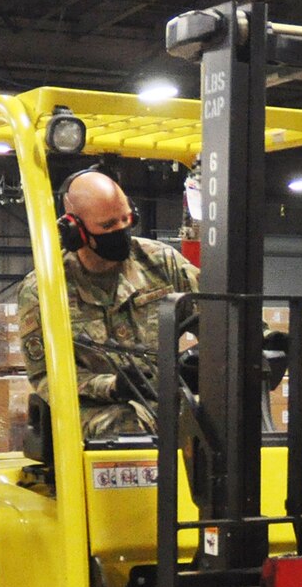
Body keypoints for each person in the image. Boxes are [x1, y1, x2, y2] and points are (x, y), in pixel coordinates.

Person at [14, 168, 198, 438]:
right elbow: (46, 378)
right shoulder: (45, 289)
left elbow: (214, 312)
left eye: (126, 219)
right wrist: (111, 386)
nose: (121, 230)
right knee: (129, 429)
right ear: (75, 230)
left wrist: (261, 342)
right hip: (93, 408)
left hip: (163, 398)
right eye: (108, 226)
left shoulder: (161, 262)